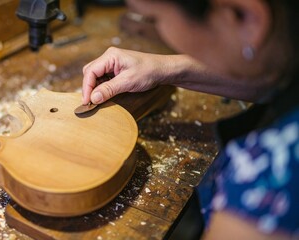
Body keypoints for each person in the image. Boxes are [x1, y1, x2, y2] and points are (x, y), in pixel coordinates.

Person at [81, 0, 299, 239]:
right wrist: (166, 68)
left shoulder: (264, 180)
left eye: (155, 19)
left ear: (244, 16)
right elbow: (271, 73)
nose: (159, 30)